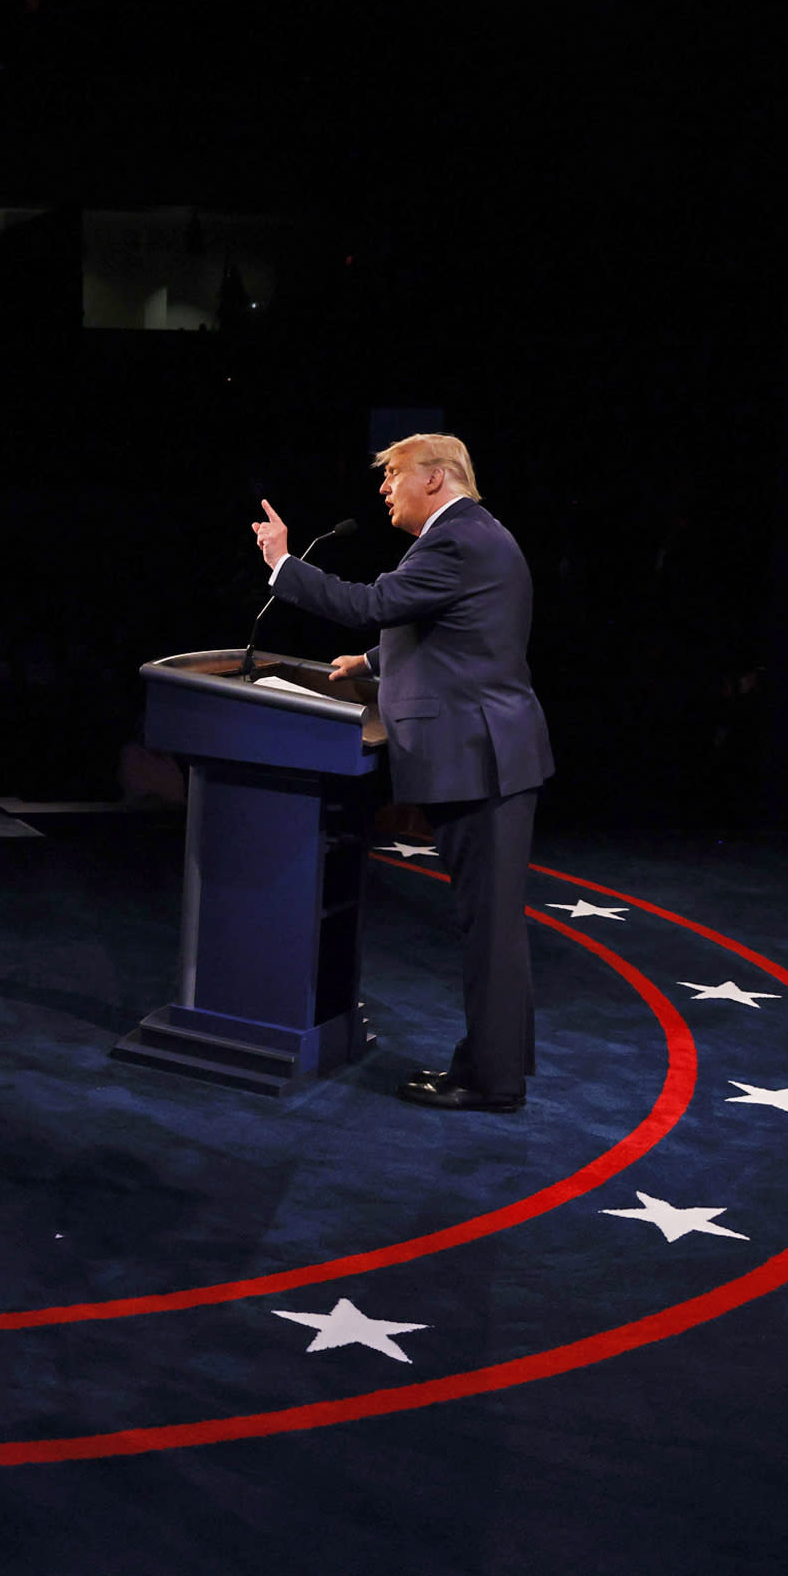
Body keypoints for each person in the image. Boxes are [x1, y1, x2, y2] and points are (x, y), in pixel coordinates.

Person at [252, 433, 554, 1114]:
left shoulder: (455, 540)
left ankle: (491, 1081)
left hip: (484, 761)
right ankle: (490, 1068)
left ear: (438, 478)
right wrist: (371, 662)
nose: (384, 488)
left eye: (394, 475)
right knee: (491, 926)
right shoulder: (474, 538)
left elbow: (373, 603)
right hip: (490, 755)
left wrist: (283, 565)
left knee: (491, 929)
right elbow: (460, 632)